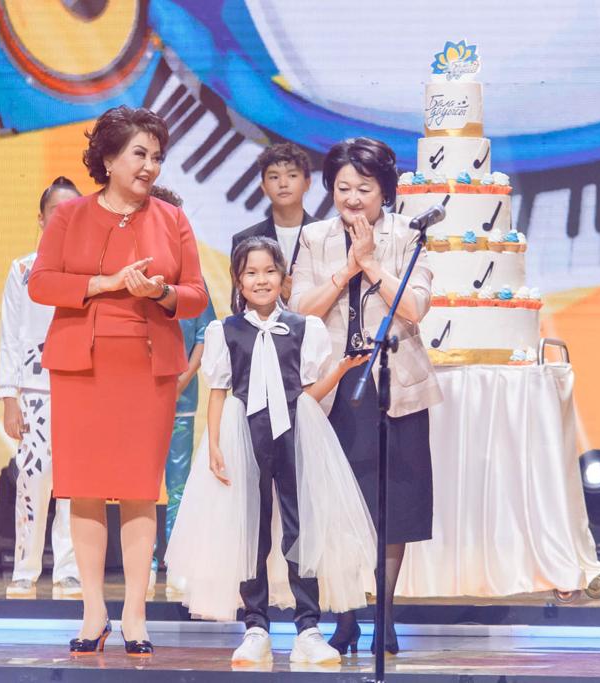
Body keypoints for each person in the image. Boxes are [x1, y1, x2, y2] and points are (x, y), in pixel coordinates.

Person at [28, 106, 208, 656]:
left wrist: (162, 293)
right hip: (82, 366)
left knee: (138, 490)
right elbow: (41, 283)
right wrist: (104, 284)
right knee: (83, 487)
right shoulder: (69, 216)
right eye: (139, 154)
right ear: (108, 159)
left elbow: (196, 294)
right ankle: (92, 611)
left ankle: (134, 612)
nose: (150, 166)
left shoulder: (172, 219)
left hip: (146, 368)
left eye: (157, 156)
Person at [165, 236, 375, 666]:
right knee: (251, 530)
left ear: (283, 277)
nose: (261, 280)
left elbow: (308, 393)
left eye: (269, 271)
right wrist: (215, 444)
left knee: (301, 528)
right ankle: (255, 625)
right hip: (244, 435)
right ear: (238, 280)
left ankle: (308, 627)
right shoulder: (225, 331)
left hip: (296, 434)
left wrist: (341, 369)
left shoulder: (304, 328)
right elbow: (219, 391)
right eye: (251, 272)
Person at [290, 137, 443, 655]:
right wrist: (346, 270)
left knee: (393, 506)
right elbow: (300, 309)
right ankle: (345, 615)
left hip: (394, 387)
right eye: (342, 188)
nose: (352, 198)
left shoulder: (408, 235)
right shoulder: (314, 237)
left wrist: (372, 263)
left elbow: (415, 308)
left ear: (385, 191)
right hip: (336, 387)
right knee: (337, 504)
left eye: (364, 188)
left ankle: (385, 615)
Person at [0, 177, 83, 599]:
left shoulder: (92, 270)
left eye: (71, 211)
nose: (63, 218)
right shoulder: (22, 270)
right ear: (41, 217)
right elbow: (10, 336)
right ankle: (25, 567)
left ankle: (70, 568)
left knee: (75, 483)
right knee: (33, 479)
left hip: (80, 387)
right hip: (33, 389)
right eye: (55, 211)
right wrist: (9, 397)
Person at [144, 185, 217, 598]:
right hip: (138, 399)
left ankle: (176, 561)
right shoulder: (132, 274)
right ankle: (144, 562)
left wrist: (183, 378)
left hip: (181, 400)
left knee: (179, 485)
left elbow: (206, 333)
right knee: (140, 485)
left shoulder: (192, 278)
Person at [231, 143, 315, 305]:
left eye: (292, 175)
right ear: (263, 186)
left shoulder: (325, 234)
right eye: (274, 177)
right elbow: (238, 304)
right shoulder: (243, 239)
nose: (283, 183)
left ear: (307, 182)